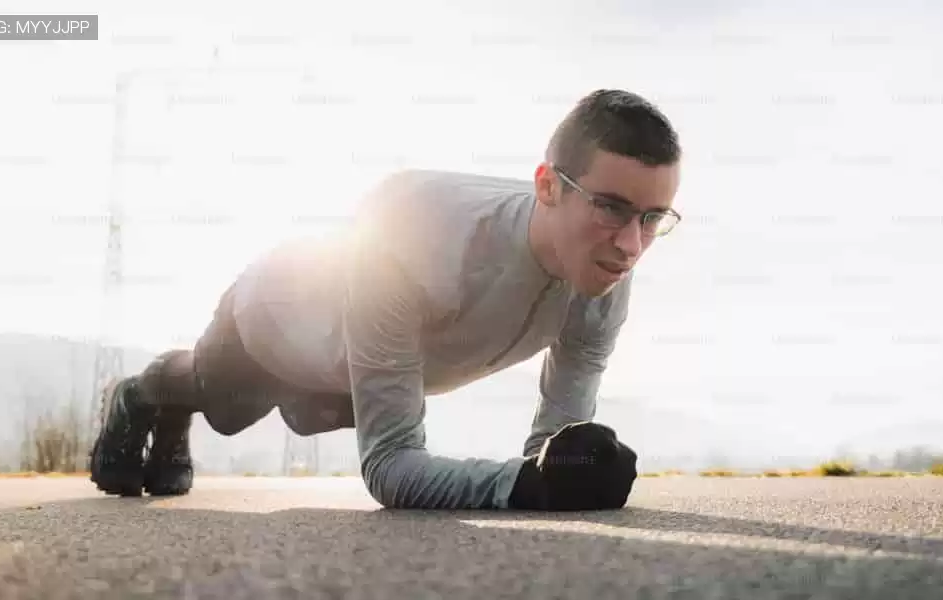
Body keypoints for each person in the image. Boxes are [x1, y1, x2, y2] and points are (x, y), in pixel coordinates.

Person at [88, 88, 684, 510]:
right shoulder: (415, 230)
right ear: (548, 186)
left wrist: (568, 473)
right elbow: (390, 465)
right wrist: (523, 487)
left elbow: (552, 455)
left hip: (362, 365)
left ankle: (171, 415)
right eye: (610, 207)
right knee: (216, 396)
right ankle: (142, 396)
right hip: (276, 320)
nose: (631, 245)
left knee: (311, 408)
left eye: (653, 218)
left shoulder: (606, 270)